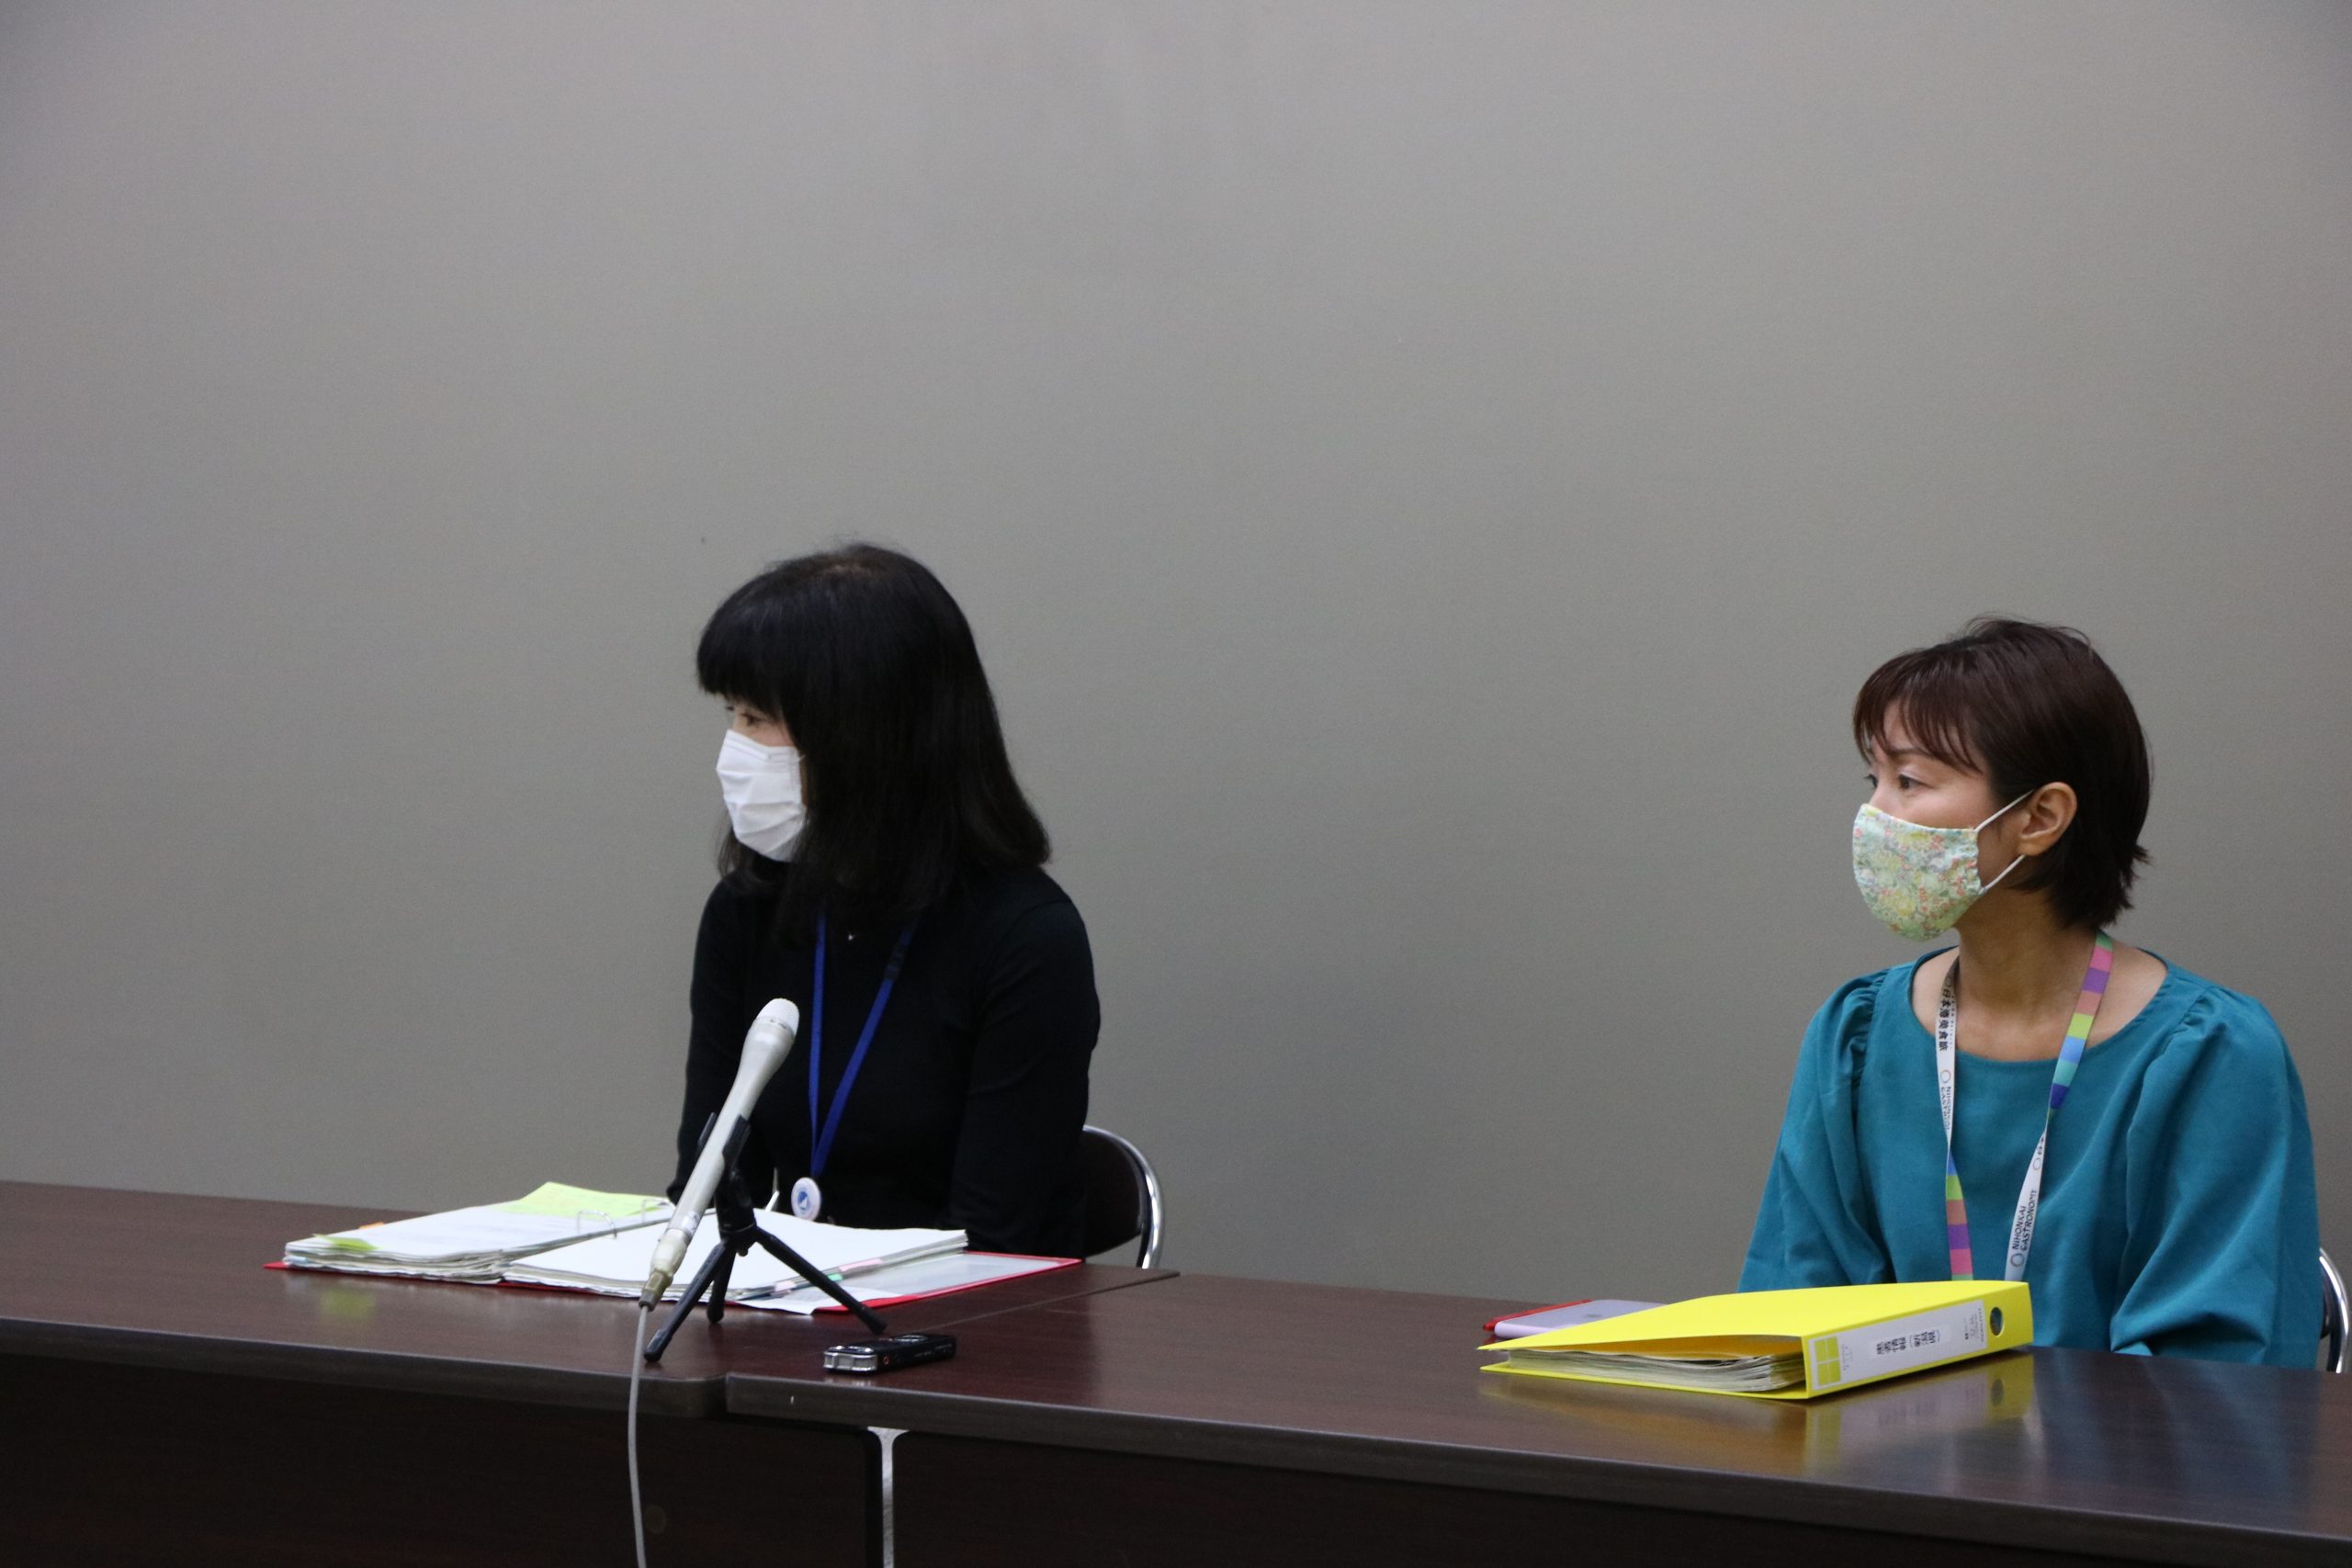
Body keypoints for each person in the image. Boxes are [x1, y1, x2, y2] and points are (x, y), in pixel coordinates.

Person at [1741, 618, 2320, 1364]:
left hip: (2120, 1447)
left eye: (1909, 780)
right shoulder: (1855, 1036)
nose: (1875, 816)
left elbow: (2215, 1379)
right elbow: (1791, 1319)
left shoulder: (2212, 1056)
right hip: (1886, 1444)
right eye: (1873, 779)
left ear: (2040, 817)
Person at [668, 544, 1099, 1257]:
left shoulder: (1025, 937)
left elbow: (998, 1244)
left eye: (758, 718)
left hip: (963, 1319)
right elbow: (707, 1190)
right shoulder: (747, 912)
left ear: (862, 734)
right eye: (732, 712)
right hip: (785, 1310)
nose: (733, 749)